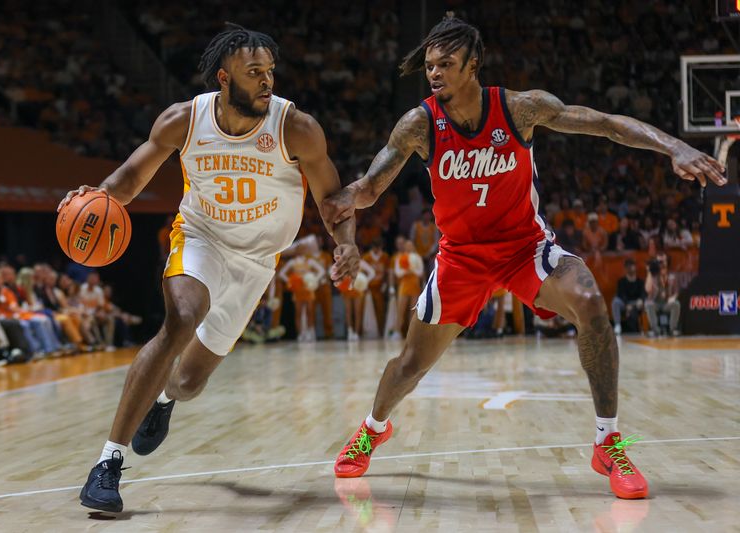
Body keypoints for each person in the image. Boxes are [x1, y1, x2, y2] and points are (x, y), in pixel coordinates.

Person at [322, 15, 726, 500]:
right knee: (410, 365)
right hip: (461, 258)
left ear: (473, 65)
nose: (434, 74)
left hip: (524, 248)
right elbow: (365, 190)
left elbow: (605, 124)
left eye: (445, 64)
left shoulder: (519, 109)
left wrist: (674, 145)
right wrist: (346, 236)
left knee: (590, 301)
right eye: (430, 65)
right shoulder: (419, 124)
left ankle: (608, 442)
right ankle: (373, 427)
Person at [62, 24, 359, 512]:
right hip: (201, 237)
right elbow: (132, 175)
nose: (267, 82)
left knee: (190, 381)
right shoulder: (184, 120)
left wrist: (345, 241)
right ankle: (107, 465)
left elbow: (332, 196)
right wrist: (95, 197)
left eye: (270, 72)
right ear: (224, 78)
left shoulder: (296, 127)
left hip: (258, 260)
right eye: (254, 72)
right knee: (180, 318)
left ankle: (164, 400)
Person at [644, 255, 680, 337]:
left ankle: (672, 329)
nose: (662, 264)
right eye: (659, 262)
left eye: (663, 261)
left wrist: (673, 297)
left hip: (666, 303)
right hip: (655, 302)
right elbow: (648, 289)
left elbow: (676, 292)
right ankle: (656, 330)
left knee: (676, 304)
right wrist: (649, 271)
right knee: (648, 304)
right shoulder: (653, 276)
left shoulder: (672, 277)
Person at [611, 259, 645, 335]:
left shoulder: (640, 281)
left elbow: (643, 293)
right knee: (615, 301)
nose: (630, 268)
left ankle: (647, 327)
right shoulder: (621, 281)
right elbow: (621, 294)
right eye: (628, 266)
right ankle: (617, 325)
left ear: (635, 267)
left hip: (637, 303)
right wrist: (627, 305)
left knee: (646, 302)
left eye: (631, 265)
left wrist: (641, 300)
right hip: (625, 303)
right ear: (625, 268)